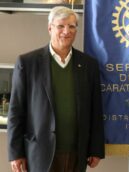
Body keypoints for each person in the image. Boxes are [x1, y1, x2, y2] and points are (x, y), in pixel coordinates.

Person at [7, 6, 105, 172]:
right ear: (50, 28)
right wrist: (15, 153)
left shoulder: (89, 65)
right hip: (40, 152)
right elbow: (16, 112)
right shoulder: (28, 63)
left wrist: (96, 149)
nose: (67, 31)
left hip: (77, 153)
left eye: (72, 26)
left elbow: (95, 110)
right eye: (61, 26)